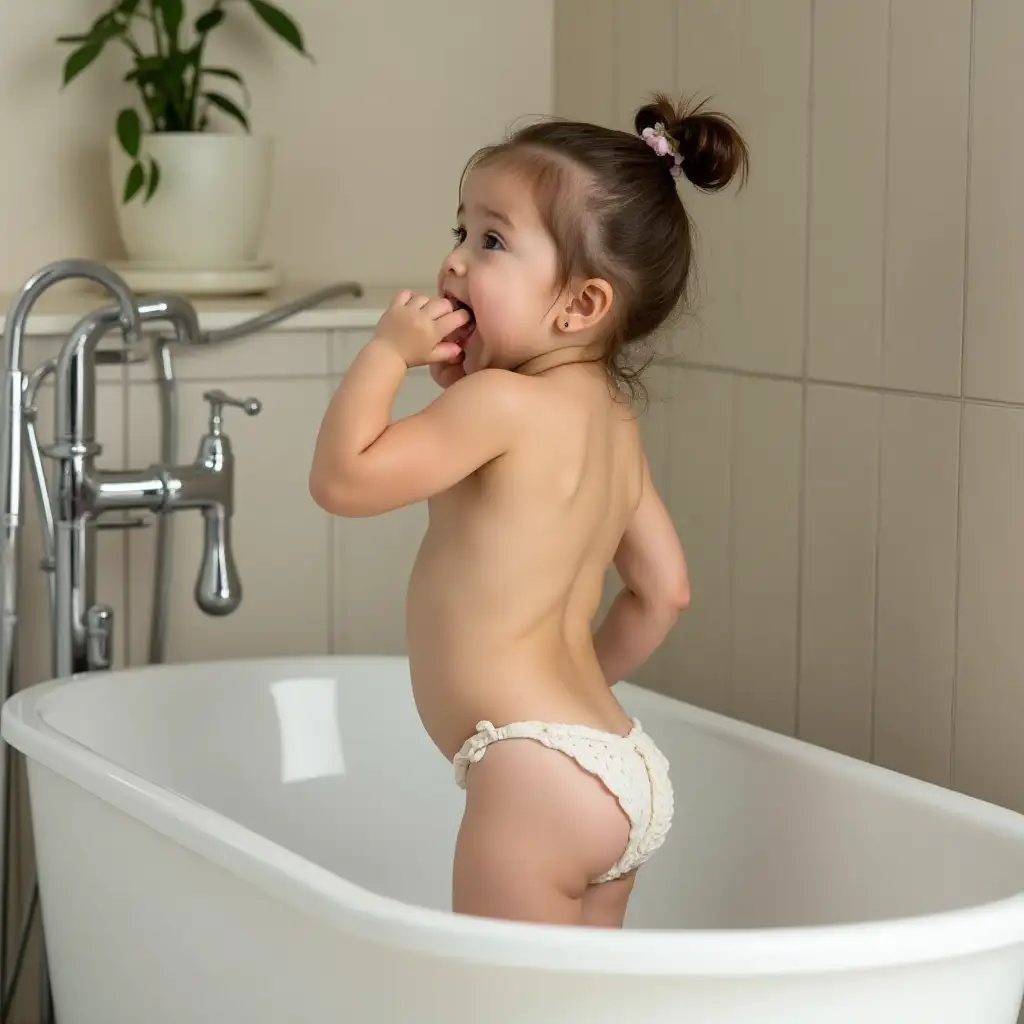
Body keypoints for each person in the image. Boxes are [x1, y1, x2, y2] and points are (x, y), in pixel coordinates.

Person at [309, 92, 749, 928]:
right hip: (620, 765)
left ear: (581, 305)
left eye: (493, 240)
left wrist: (384, 354)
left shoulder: (503, 406)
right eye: (460, 233)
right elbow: (665, 593)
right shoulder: (611, 422)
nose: (455, 264)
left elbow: (342, 481)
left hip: (534, 776)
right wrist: (568, 699)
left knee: (503, 1005)